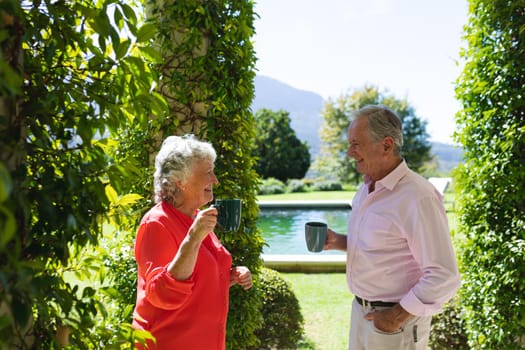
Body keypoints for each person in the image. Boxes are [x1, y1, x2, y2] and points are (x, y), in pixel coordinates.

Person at [323, 105, 461, 349]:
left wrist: (395, 317)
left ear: (386, 145)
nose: (349, 153)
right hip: (362, 312)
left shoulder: (418, 196)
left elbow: (444, 274)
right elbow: (383, 245)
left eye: (356, 144)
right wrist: (338, 241)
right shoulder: (367, 188)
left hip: (395, 322)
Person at [132, 134, 252, 349]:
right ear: (181, 181)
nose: (215, 179)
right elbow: (162, 295)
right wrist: (193, 239)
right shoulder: (156, 223)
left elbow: (195, 277)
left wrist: (228, 277)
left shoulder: (195, 217)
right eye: (207, 172)